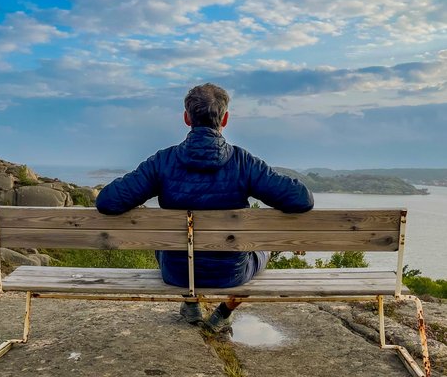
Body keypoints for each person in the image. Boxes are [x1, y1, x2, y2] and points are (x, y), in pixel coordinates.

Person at [96, 83, 314, 332]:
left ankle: (190, 302)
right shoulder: (244, 163)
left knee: (171, 242)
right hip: (230, 275)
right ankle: (224, 311)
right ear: (226, 118)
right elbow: (301, 199)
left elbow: (107, 201)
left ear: (187, 118)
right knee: (260, 248)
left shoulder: (162, 162)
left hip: (176, 273)